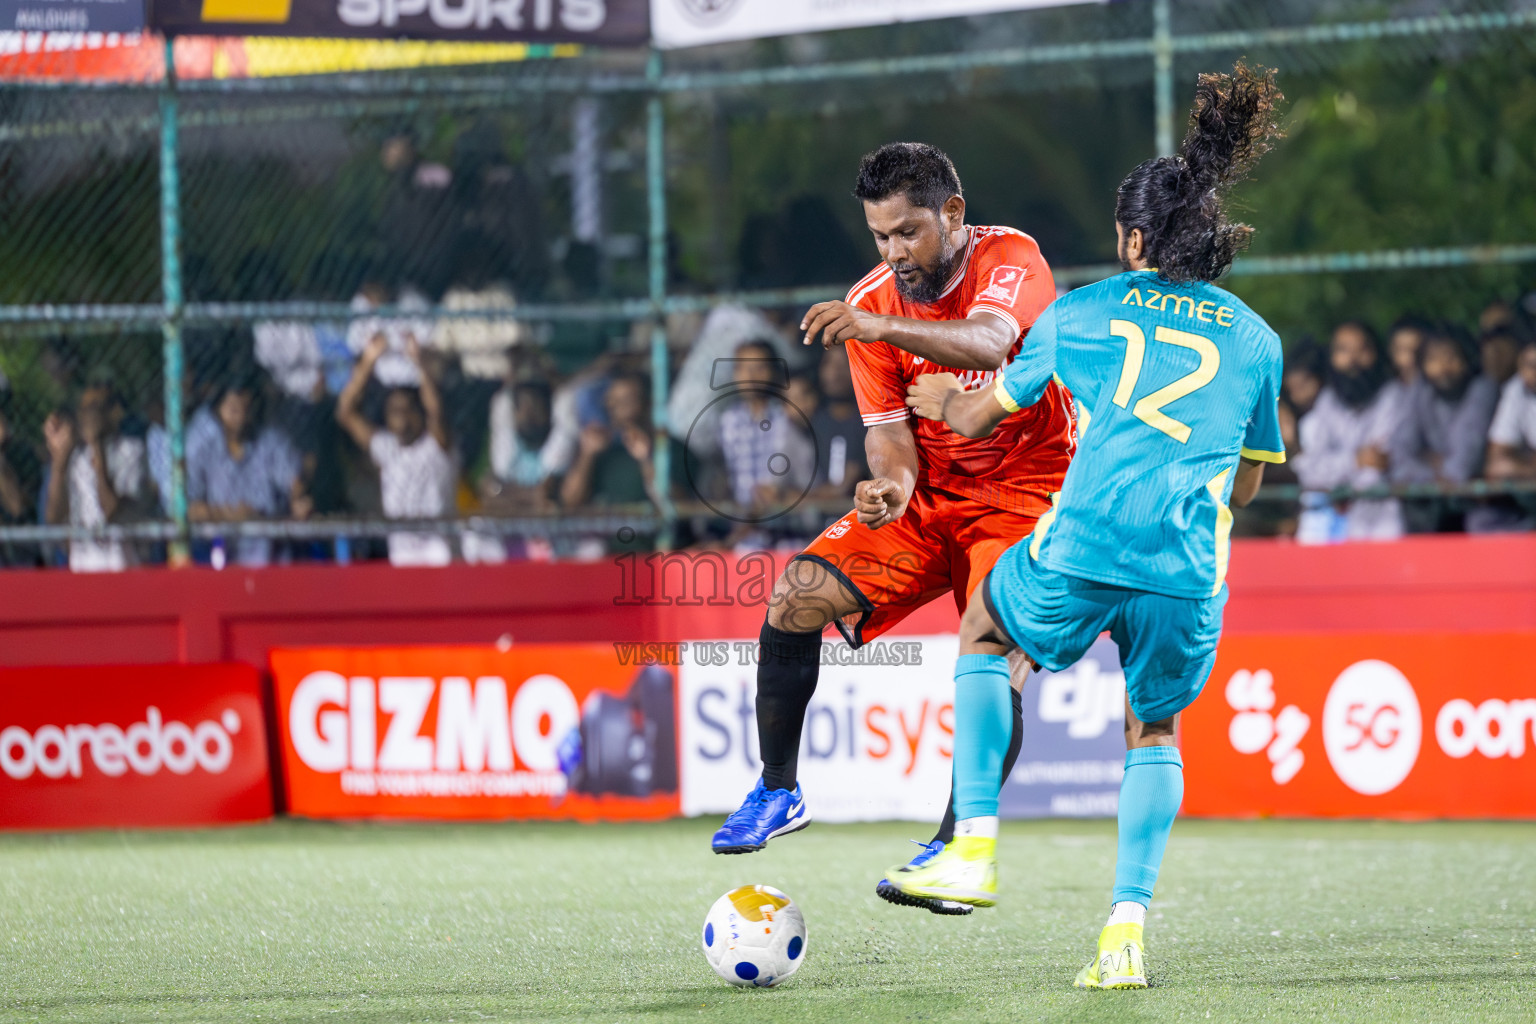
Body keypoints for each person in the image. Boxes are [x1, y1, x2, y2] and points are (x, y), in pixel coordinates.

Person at [895, 63, 1284, 990]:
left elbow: (985, 413)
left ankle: (974, 847)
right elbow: (1249, 483)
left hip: (1088, 541)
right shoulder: (1257, 339)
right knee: (1154, 733)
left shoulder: (1080, 313)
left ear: (1135, 235)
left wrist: (944, 393)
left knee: (987, 625)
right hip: (1186, 566)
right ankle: (1124, 934)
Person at [707, 142, 1076, 920]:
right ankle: (779, 790)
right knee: (797, 594)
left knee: (991, 650)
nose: (894, 253)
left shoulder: (1011, 259)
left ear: (952, 213)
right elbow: (889, 435)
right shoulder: (872, 298)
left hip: (1028, 495)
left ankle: (952, 849)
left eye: (907, 232)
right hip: (931, 498)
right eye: (880, 237)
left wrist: (875, 322)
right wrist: (889, 488)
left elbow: (987, 342)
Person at [336, 333, 456, 567]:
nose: (401, 416)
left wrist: (418, 363)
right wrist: (368, 361)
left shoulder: (435, 445)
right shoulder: (386, 447)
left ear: (419, 414)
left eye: (407, 409)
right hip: (401, 552)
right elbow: (345, 412)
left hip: (438, 550)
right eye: (394, 410)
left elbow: (435, 412)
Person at [1291, 321, 1406, 541]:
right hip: (1332, 529)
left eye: (1362, 350)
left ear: (1376, 354)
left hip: (1384, 525)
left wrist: (1338, 472)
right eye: (1343, 350)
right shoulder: (1327, 401)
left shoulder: (1393, 396)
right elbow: (1311, 472)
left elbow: (1375, 470)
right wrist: (1355, 460)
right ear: (1332, 358)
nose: (1353, 359)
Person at [187, 377, 309, 567]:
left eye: (247, 409)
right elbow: (189, 508)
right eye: (233, 410)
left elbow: (295, 485)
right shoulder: (205, 450)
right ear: (218, 411)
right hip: (222, 556)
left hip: (270, 557)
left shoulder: (271, 443)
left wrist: (298, 499)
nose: (241, 418)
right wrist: (228, 516)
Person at [1390, 325, 1498, 532]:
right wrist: (1432, 474)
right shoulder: (1420, 389)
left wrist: (1428, 458)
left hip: (1475, 507)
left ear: (1467, 360)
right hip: (1430, 502)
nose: (1442, 368)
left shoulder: (1483, 388)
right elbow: (1400, 456)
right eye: (1433, 360)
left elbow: (1463, 463)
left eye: (1451, 359)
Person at [43, 382, 152, 572]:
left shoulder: (132, 451)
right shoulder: (76, 457)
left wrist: (97, 446)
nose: (87, 416)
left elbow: (110, 510)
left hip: (121, 567)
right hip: (84, 568)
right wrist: (60, 459)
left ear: (114, 412)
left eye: (94, 408)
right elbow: (53, 517)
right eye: (83, 410)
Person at [717, 340, 815, 513]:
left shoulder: (787, 417)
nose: (751, 376)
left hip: (790, 522)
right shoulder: (727, 421)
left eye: (759, 368)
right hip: (743, 524)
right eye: (744, 368)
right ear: (735, 373)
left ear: (773, 372)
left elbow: (807, 478)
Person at [805, 344, 868, 501]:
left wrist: (802, 498)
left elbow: (845, 484)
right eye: (829, 363)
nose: (836, 372)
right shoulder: (813, 420)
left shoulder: (868, 422)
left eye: (844, 364)